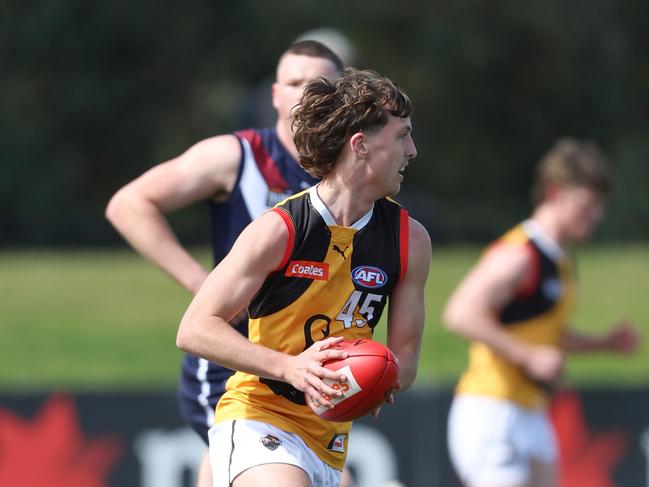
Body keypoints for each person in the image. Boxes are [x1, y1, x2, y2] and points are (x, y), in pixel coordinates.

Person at [176, 68, 431, 487]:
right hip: (257, 418)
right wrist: (291, 368)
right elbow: (194, 329)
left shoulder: (410, 240)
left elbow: (407, 360)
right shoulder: (281, 229)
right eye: (402, 136)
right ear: (360, 145)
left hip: (329, 441)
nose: (413, 151)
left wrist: (377, 375)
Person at [105, 41, 344, 487]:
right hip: (230, 363)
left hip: (304, 362)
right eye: (294, 83)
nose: (306, 94)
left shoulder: (347, 175)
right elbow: (129, 204)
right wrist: (203, 284)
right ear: (275, 94)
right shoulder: (240, 157)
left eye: (320, 84)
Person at [442, 138, 640, 487]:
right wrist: (528, 355)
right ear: (554, 193)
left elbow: (547, 336)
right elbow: (460, 313)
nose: (596, 216)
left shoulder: (561, 261)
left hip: (531, 411)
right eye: (587, 204)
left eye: (599, 206)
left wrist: (604, 344)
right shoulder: (520, 255)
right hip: (492, 409)